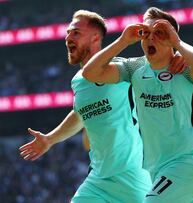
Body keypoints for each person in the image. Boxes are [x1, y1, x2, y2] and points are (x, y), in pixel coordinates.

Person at [18, 10, 159, 203]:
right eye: (68, 33)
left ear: (95, 38)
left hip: (133, 175)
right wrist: (50, 139)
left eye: (75, 32)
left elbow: (159, 63)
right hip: (99, 179)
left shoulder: (123, 69)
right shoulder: (78, 81)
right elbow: (79, 114)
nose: (68, 37)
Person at [82, 7, 193, 203]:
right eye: (146, 33)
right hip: (155, 170)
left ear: (170, 37)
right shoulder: (134, 68)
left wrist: (177, 43)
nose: (150, 38)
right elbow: (90, 73)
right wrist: (122, 41)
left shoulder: (185, 67)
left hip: (185, 166)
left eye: (159, 33)